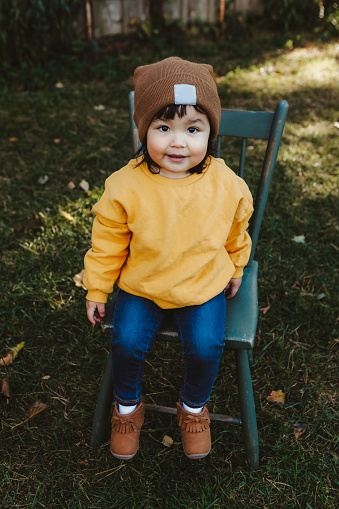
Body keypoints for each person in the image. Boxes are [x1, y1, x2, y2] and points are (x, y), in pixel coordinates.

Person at [84, 57, 253, 460]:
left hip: (202, 281)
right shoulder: (126, 184)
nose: (178, 142)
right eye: (163, 128)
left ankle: (193, 408)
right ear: (144, 130)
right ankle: (127, 408)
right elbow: (108, 240)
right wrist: (98, 286)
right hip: (143, 282)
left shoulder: (226, 183)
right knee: (125, 342)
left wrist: (237, 265)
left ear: (211, 133)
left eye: (193, 129)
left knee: (205, 345)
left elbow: (237, 227)